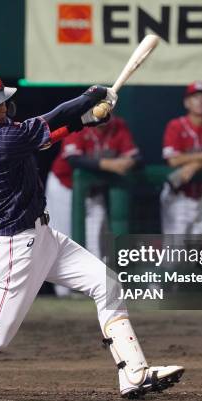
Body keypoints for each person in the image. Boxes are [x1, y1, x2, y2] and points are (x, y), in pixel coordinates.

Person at [0, 70, 184, 399]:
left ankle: (134, 373)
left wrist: (85, 121)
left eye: (3, 100)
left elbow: (39, 135)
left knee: (107, 284)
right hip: (16, 246)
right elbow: (46, 123)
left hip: (43, 236)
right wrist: (88, 99)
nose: (4, 107)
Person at [46, 115, 140, 296]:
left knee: (97, 240)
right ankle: (63, 293)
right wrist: (108, 164)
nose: (104, 113)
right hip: (64, 188)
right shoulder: (78, 123)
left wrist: (129, 162)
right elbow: (74, 159)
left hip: (94, 192)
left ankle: (96, 290)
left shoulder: (119, 126)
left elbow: (136, 156)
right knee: (62, 237)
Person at [161, 81, 202, 235]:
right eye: (196, 97)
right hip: (178, 193)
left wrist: (194, 165)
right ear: (187, 102)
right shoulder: (176, 125)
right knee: (174, 253)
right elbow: (173, 160)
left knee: (193, 251)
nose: (201, 101)